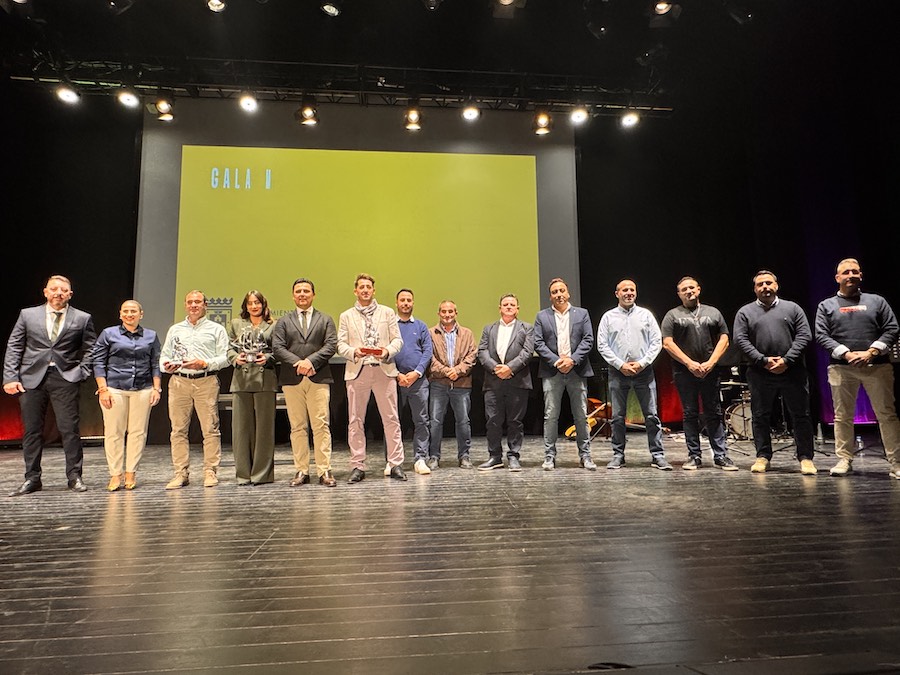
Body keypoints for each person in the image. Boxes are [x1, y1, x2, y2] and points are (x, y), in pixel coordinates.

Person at [3, 275, 96, 495]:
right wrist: (10, 377)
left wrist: (81, 372)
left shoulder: (82, 318)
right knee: (32, 430)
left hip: (65, 377)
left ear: (70, 295)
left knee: (69, 429)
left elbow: (92, 348)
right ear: (45, 291)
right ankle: (32, 478)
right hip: (31, 378)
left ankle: (74, 476)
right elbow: (15, 345)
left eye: (63, 290)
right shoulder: (28, 315)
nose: (58, 293)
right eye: (54, 289)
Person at [814, 258, 900, 478]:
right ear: (837, 278)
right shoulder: (826, 305)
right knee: (842, 416)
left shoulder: (877, 301)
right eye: (845, 272)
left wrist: (871, 352)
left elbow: (892, 329)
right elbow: (821, 335)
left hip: (877, 366)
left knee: (887, 415)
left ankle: (896, 462)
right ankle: (844, 460)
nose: (850, 275)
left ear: (860, 275)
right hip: (842, 368)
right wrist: (847, 353)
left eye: (855, 272)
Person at [733, 270, 816, 475]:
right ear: (755, 289)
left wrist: (787, 360)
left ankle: (806, 458)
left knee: (801, 416)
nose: (765, 287)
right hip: (760, 372)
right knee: (760, 416)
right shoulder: (745, 312)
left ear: (776, 285)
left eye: (768, 283)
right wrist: (763, 361)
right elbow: (740, 340)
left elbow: (805, 335)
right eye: (760, 284)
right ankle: (762, 457)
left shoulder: (793, 308)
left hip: (793, 370)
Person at [660, 277, 738, 471]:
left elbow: (725, 339)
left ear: (699, 289)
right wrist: (690, 363)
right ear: (678, 294)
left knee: (714, 412)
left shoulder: (713, 312)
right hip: (684, 372)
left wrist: (711, 363)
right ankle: (694, 456)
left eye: (691, 288)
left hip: (710, 371)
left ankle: (721, 456)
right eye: (684, 289)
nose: (688, 291)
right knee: (690, 413)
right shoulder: (672, 315)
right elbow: (667, 343)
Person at [337, 274, 406, 483]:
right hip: (358, 371)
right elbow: (340, 344)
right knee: (355, 420)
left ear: (373, 290)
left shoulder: (387, 312)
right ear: (355, 291)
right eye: (361, 287)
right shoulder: (346, 316)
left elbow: (397, 340)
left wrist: (386, 351)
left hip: (383, 370)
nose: (365, 290)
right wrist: (353, 351)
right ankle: (358, 465)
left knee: (391, 419)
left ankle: (395, 464)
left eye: (368, 287)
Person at [597, 279, 671, 470]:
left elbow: (656, 342)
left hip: (643, 372)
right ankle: (618, 455)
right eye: (624, 290)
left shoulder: (646, 315)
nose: (628, 293)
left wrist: (642, 363)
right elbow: (602, 345)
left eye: (632, 290)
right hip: (618, 372)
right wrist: (620, 365)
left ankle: (657, 455)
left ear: (636, 293)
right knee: (618, 417)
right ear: (617, 294)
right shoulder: (608, 317)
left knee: (652, 415)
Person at [160, 290, 230, 489]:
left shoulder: (216, 329)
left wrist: (204, 363)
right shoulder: (175, 330)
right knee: (178, 430)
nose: (193, 305)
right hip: (179, 382)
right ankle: (180, 473)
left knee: (210, 429)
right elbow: (164, 356)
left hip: (205, 382)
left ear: (205, 305)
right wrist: (166, 366)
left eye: (197, 302)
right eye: (190, 302)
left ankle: (210, 471)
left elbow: (226, 357)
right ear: (185, 305)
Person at [272, 278, 338, 488]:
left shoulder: (325, 319)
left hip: (318, 377)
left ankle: (324, 470)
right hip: (292, 380)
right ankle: (301, 470)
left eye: (306, 291)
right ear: (293, 296)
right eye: (298, 291)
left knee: (321, 425)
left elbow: (331, 345)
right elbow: (278, 348)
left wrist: (310, 362)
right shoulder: (283, 322)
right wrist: (299, 363)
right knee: (298, 427)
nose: (302, 294)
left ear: (313, 295)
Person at [92, 300, 162, 491]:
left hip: (143, 388)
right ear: (120, 314)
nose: (130, 314)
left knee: (138, 432)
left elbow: (155, 363)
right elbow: (98, 362)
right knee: (114, 432)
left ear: (141, 314)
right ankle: (115, 474)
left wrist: (157, 388)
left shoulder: (151, 336)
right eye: (126, 311)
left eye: (134, 311)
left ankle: (131, 472)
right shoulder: (109, 334)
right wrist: (103, 389)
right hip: (114, 387)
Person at [533, 277, 597, 471]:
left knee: (581, 415)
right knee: (551, 415)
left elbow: (588, 339)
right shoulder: (541, 316)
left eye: (562, 291)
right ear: (550, 296)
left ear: (568, 293)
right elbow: (538, 343)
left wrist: (572, 360)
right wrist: (557, 361)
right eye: (554, 292)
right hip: (552, 372)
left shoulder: (582, 314)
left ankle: (585, 456)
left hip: (576, 370)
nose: (559, 294)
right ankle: (549, 456)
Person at [477, 294, 534, 471]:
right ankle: (495, 457)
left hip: (517, 381)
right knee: (492, 420)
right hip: (493, 382)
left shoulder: (527, 328)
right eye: (505, 304)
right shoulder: (489, 329)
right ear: (500, 308)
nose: (509, 307)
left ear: (517, 308)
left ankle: (514, 456)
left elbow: (527, 352)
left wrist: (509, 368)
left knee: (515, 421)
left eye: (512, 304)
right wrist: (496, 368)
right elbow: (482, 352)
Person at [227, 290, 277, 486]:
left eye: (257, 303)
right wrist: (234, 358)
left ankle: (262, 474)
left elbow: (279, 349)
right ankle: (243, 474)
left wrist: (269, 358)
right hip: (241, 378)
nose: (254, 306)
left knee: (265, 429)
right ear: (245, 306)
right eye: (250, 303)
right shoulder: (236, 324)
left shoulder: (274, 325)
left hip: (266, 378)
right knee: (241, 430)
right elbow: (229, 348)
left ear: (264, 305)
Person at [427, 300, 478, 469]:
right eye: (443, 311)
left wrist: (458, 370)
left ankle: (464, 456)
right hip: (438, 384)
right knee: (435, 421)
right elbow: (429, 357)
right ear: (439, 313)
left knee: (463, 421)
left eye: (450, 311)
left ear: (456, 313)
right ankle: (434, 456)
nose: (447, 314)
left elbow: (472, 356)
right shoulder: (430, 333)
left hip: (461, 384)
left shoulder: (467, 333)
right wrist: (446, 371)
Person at [395, 289, 434, 475]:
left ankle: (420, 459)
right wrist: (397, 374)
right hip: (394, 381)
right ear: (397, 303)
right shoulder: (390, 326)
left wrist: (416, 373)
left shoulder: (421, 326)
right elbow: (385, 352)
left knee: (421, 421)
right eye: (402, 300)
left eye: (409, 300)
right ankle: (393, 461)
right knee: (393, 421)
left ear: (413, 303)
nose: (405, 303)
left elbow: (427, 351)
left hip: (418, 381)